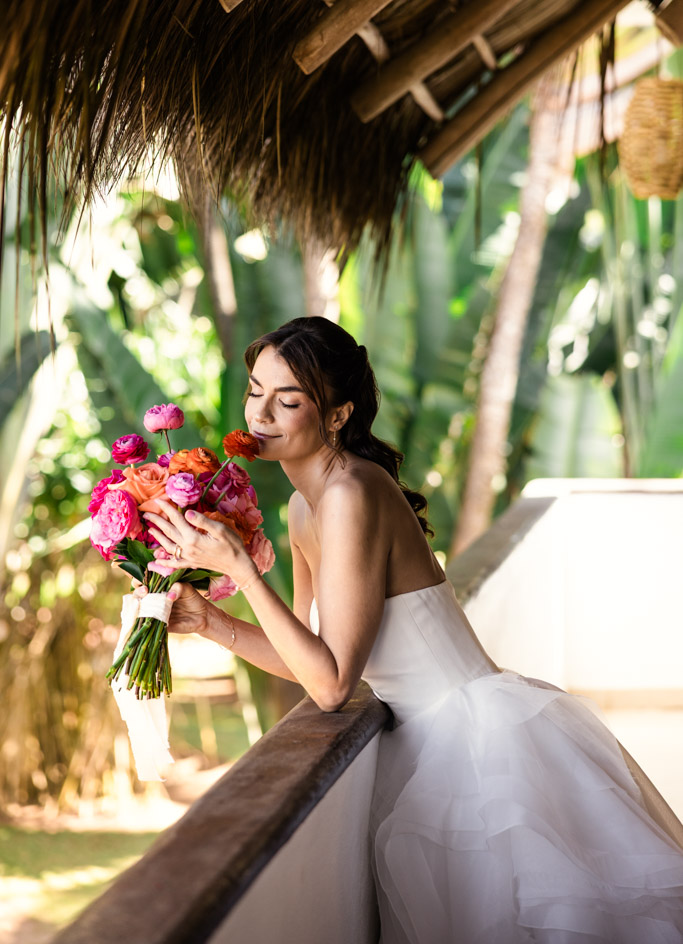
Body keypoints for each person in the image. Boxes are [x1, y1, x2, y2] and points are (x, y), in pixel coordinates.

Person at [141, 316, 683, 943]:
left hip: (475, 747)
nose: (260, 413)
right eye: (255, 390)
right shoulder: (301, 505)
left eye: (287, 400)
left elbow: (333, 685)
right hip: (423, 744)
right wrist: (212, 622)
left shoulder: (351, 493)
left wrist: (240, 568)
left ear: (338, 415)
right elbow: (310, 653)